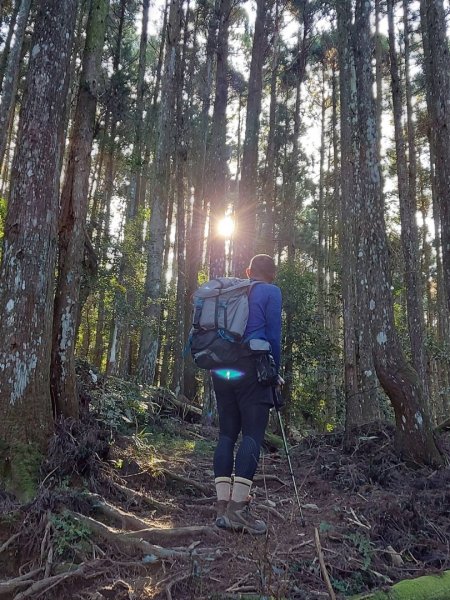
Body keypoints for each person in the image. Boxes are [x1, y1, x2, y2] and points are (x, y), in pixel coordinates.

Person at [211, 254, 283, 535]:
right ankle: (237, 510)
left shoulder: (232, 291)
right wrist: (274, 371)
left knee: (227, 434)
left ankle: (221, 507)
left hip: (222, 368)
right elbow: (274, 337)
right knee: (252, 434)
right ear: (273, 274)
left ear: (249, 270)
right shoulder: (271, 292)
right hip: (252, 369)